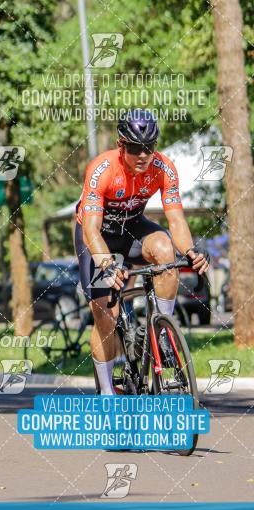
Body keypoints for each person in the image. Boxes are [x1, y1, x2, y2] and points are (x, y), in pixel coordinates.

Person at [75, 109, 209, 395]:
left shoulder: (163, 168)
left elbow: (176, 220)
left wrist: (190, 250)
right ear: (121, 145)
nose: (143, 155)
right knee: (104, 314)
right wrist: (107, 264)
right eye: (136, 148)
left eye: (150, 147)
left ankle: (163, 332)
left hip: (133, 228)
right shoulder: (102, 169)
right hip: (99, 238)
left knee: (165, 250)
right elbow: (91, 228)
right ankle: (108, 393)